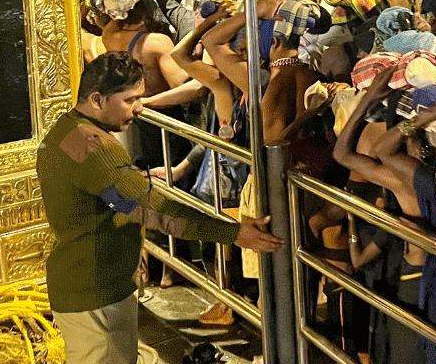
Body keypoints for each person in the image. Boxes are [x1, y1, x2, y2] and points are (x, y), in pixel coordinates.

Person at [37, 52, 283, 364]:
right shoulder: (94, 146)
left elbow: (113, 198)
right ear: (97, 99)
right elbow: (153, 210)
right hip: (96, 293)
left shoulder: (65, 130)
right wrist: (232, 232)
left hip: (88, 284)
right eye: (130, 100)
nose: (139, 108)